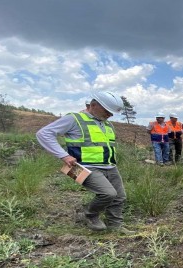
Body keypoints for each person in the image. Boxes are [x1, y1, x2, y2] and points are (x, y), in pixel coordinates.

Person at [36, 91, 134, 234]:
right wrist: (63, 156)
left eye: (112, 113)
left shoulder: (107, 124)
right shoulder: (74, 119)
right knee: (108, 194)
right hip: (81, 167)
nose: (110, 115)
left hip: (110, 166)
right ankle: (90, 215)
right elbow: (43, 134)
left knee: (119, 197)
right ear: (93, 105)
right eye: (107, 111)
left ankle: (115, 225)